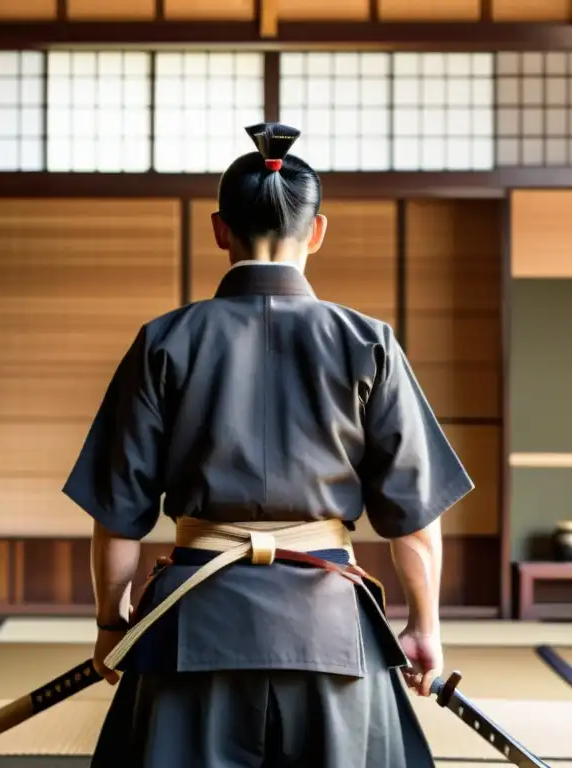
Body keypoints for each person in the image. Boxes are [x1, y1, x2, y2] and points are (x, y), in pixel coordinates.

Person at [62, 122, 474, 767]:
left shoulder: (166, 341)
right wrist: (425, 628)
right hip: (329, 622)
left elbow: (116, 514)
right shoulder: (367, 342)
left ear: (220, 230)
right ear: (316, 231)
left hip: (189, 621)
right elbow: (415, 521)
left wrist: (113, 622)